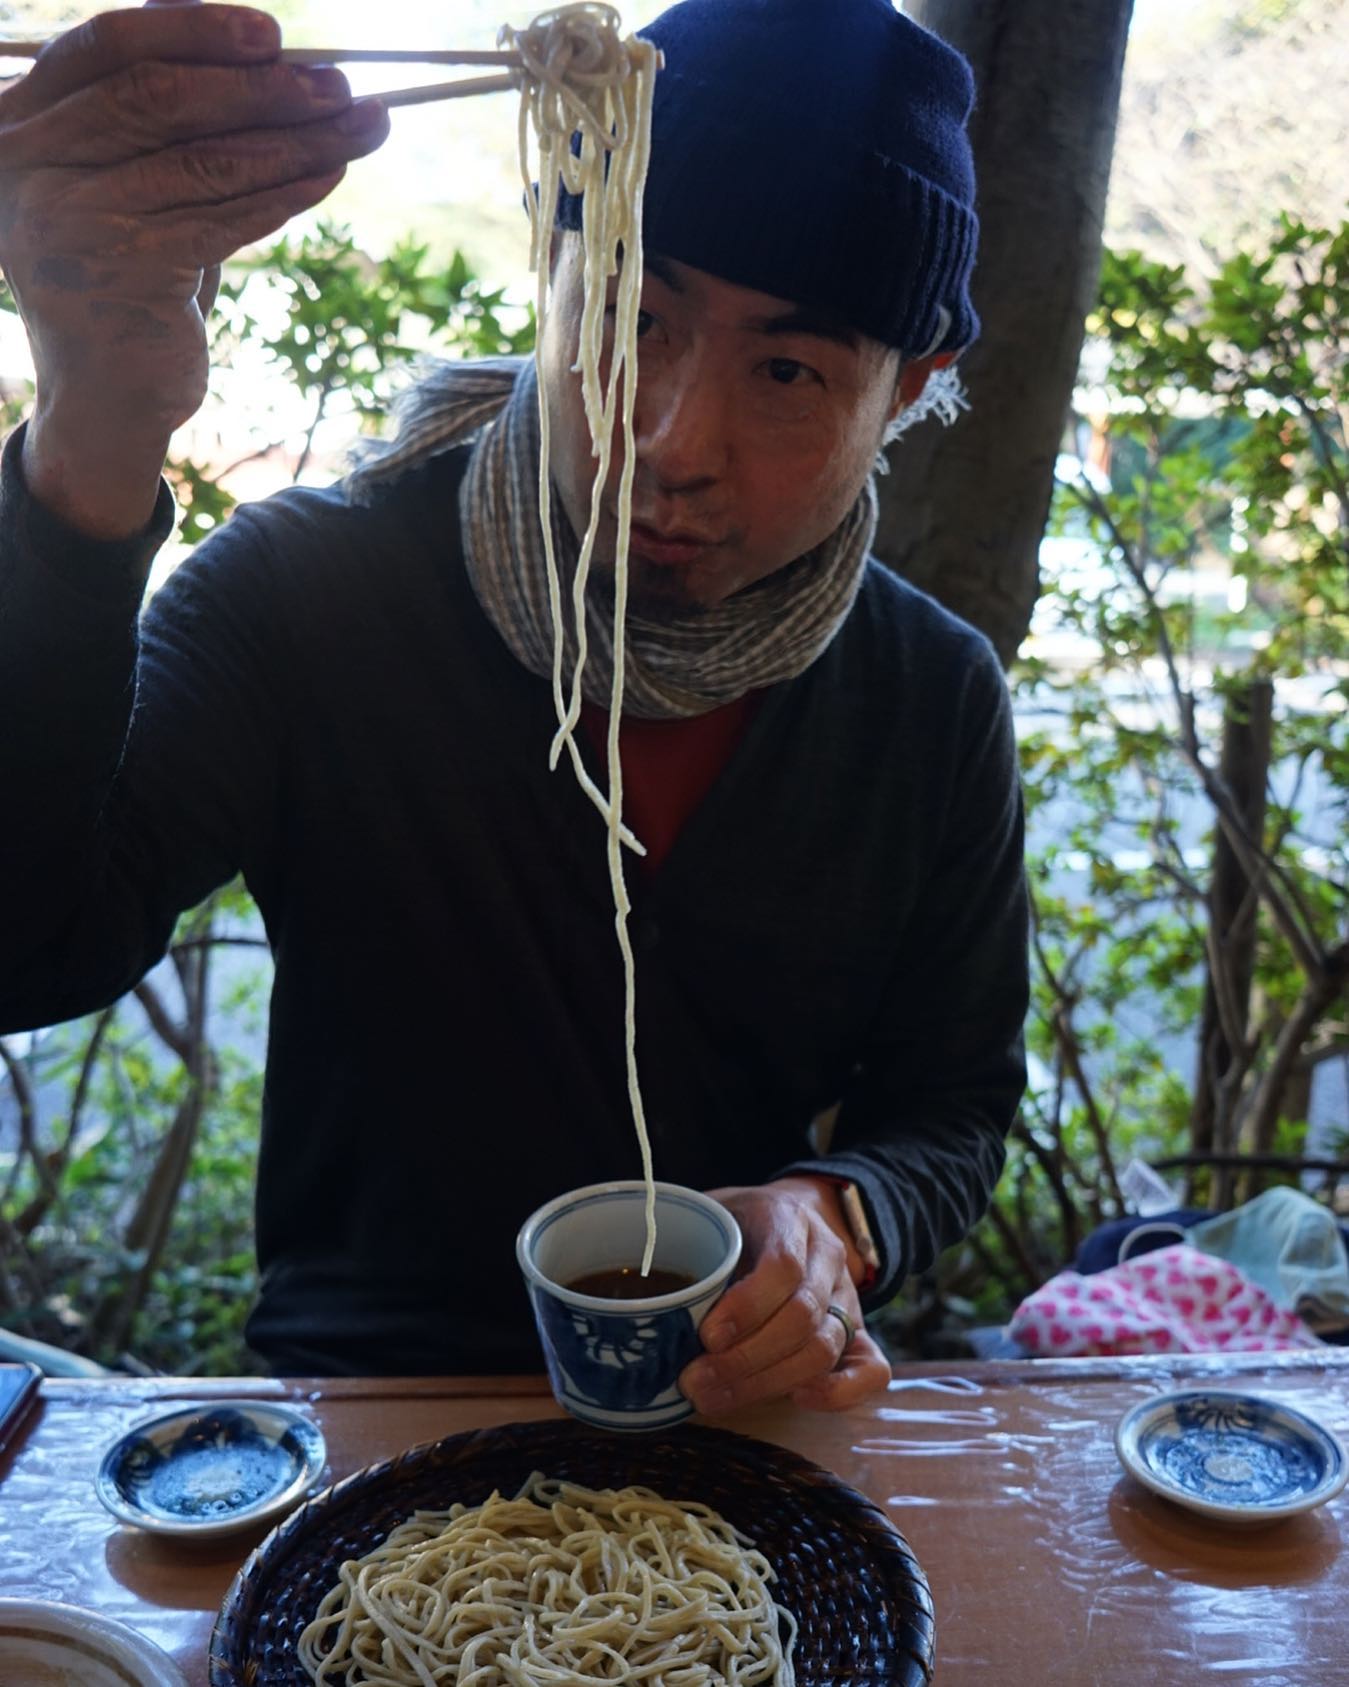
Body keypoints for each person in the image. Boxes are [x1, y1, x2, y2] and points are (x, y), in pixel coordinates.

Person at [0, 0, 1028, 1415]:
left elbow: (954, 1107)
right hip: (359, 1418)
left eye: (787, 371)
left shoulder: (926, 697)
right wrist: (88, 451)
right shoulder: (311, 594)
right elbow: (27, 952)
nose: (669, 443)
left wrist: (831, 1215)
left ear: (908, 392)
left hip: (737, 1428)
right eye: (626, 314)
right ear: (548, 275)